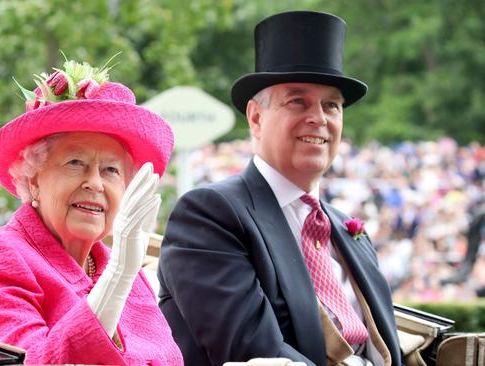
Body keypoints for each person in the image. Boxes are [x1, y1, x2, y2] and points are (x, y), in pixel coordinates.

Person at [158, 11, 403, 366]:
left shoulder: (351, 232)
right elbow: (251, 351)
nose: (318, 117)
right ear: (256, 117)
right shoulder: (211, 215)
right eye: (298, 101)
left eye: (331, 105)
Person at [0, 57, 183, 365]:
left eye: (111, 170)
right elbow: (27, 362)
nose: (95, 183)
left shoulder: (127, 272)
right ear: (34, 178)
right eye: (75, 163)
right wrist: (116, 278)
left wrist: (122, 272)